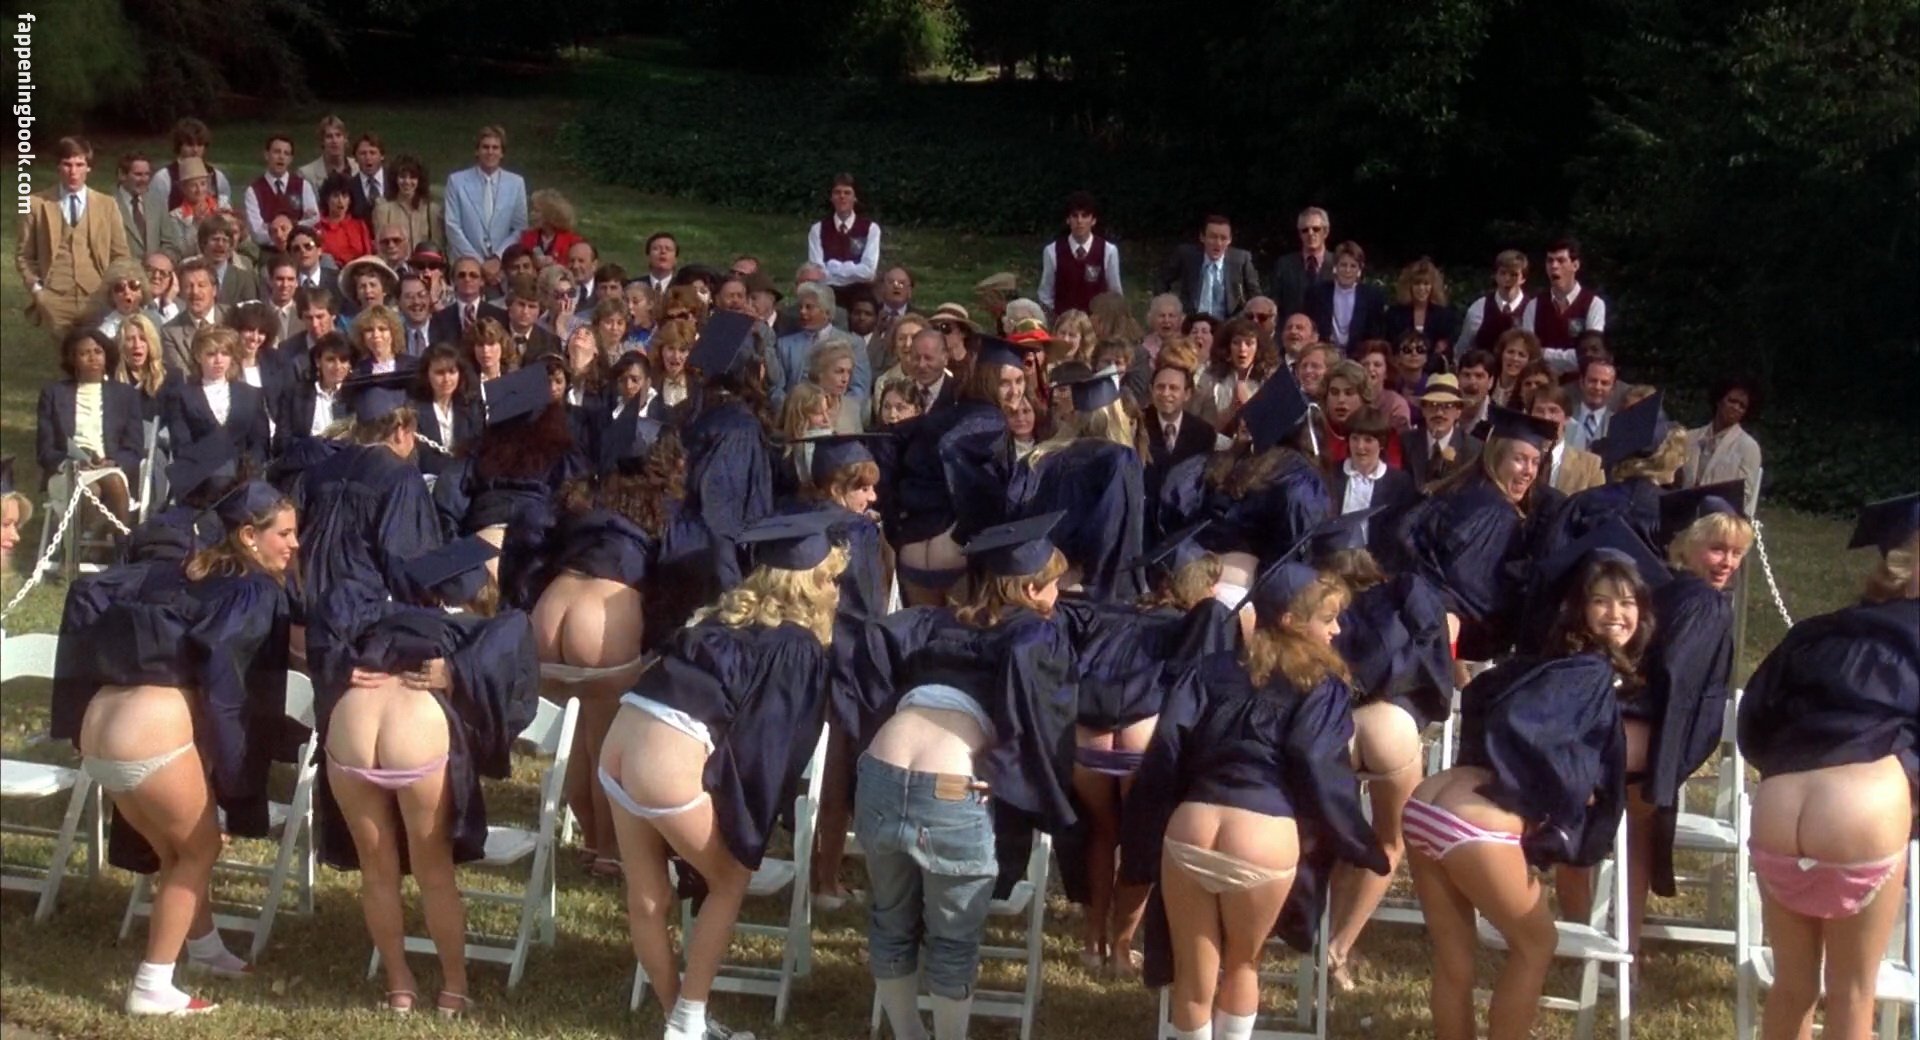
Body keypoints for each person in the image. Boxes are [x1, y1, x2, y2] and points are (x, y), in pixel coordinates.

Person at [51, 479, 299, 1015]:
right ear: (249, 536)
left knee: (176, 849)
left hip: (101, 725)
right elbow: (224, 676)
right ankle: (152, 986)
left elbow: (86, 592)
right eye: (284, 533)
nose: (294, 544)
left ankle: (204, 949)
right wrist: (235, 777)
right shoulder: (254, 589)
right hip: (151, 733)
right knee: (200, 850)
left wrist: (69, 713)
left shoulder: (175, 569)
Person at [603, 511, 844, 1040]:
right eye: (832, 579)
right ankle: (688, 1022)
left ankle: (678, 1016)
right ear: (812, 585)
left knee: (647, 896)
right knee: (730, 879)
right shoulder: (795, 646)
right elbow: (767, 745)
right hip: (666, 760)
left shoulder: (717, 618)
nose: (838, 591)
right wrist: (750, 822)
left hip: (620, 740)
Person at [1124, 558, 1388, 1040]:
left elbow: (1166, 753)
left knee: (1193, 979)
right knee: (1243, 965)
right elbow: (1314, 760)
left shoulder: (1206, 670)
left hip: (1192, 828)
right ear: (1291, 621)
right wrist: (1355, 838)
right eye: (1328, 619)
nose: (1337, 630)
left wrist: (1142, 841)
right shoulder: (1321, 686)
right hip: (1262, 832)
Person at [1408, 529, 1654, 1040]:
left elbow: (1481, 696)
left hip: (1427, 807)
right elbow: (1523, 726)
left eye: (1628, 602)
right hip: (1476, 823)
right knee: (1536, 946)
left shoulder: (1548, 658)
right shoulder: (1589, 672)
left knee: (1454, 959)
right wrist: (1561, 790)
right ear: (1579, 609)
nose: (1616, 614)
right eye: (1601, 601)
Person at [858, 513, 1078, 1040]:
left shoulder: (933, 622)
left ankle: (909, 1035)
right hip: (951, 788)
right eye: (1054, 584)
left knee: (890, 920)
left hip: (880, 770)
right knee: (953, 938)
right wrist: (1005, 769)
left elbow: (871, 647)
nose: (1060, 595)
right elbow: (1040, 719)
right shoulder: (1032, 635)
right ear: (1030, 589)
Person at [317, 534, 539, 1018]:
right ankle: (453, 990)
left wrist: (345, 666)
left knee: (377, 871)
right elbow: (512, 681)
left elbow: (327, 626)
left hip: (352, 725)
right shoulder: (481, 632)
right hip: (415, 731)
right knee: (434, 873)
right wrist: (456, 672)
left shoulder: (380, 616)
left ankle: (399, 987)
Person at [1736, 493, 1917, 1040]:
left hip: (1779, 810)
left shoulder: (1817, 632)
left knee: (1792, 986)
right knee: (1853, 993)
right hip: (1861, 812)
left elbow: (1754, 726)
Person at [1562, 481, 1752, 946]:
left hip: (1609, 725)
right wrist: (1669, 761)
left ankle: (1583, 929)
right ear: (1688, 544)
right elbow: (1677, 679)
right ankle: (1623, 944)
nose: (1727, 562)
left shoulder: (1658, 589)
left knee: (1593, 832)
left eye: (1736, 553)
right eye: (1716, 549)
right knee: (1637, 839)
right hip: (1645, 738)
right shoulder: (1706, 603)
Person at [527, 423, 685, 879]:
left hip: (551, 610)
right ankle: (610, 850)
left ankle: (593, 841)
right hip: (601, 616)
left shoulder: (587, 500)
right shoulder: (666, 509)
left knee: (576, 738)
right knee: (606, 743)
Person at [1400, 406, 1561, 664]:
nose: (1529, 471)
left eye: (1534, 461)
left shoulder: (1462, 489)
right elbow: (1475, 596)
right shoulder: (1495, 515)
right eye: (1520, 459)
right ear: (1496, 457)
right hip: (1455, 647)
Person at [1008, 367, 1148, 601]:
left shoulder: (1036, 458)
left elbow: (1017, 518)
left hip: (1042, 582)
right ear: (1115, 414)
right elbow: (1116, 530)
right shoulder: (1119, 459)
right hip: (1095, 589)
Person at [18, 136, 131, 337]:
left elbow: (120, 254)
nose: (73, 172)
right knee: (62, 354)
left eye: (79, 165)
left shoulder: (107, 204)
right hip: (54, 298)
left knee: (97, 351)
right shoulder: (36, 203)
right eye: (67, 164)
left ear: (89, 168)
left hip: (96, 296)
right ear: (58, 167)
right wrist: (37, 290)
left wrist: (116, 290)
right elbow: (24, 255)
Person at [37, 328, 144, 527]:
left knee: (114, 481)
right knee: (90, 490)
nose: (93, 358)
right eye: (84, 353)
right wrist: (71, 463)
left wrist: (112, 461)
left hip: (110, 467)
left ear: (106, 355)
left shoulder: (125, 395)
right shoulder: (54, 394)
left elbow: (134, 447)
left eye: (98, 351)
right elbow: (45, 450)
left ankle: (121, 542)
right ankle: (93, 540)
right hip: (68, 470)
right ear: (72, 359)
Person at [164, 325, 272, 465]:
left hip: (244, 472)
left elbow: (260, 443)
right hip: (200, 472)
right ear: (198, 356)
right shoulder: (181, 396)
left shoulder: (251, 395)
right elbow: (182, 446)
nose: (219, 360)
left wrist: (248, 468)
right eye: (211, 354)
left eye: (225, 353)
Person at [443, 126, 528, 266]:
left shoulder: (516, 183)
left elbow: (520, 227)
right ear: (477, 151)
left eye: (495, 148)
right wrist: (477, 262)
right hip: (466, 263)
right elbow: (452, 226)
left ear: (502, 153)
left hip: (503, 264)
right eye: (485, 147)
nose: (490, 152)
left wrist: (498, 257)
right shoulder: (456, 181)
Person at [1154, 214, 1261, 320]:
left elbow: (1255, 295)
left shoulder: (1241, 259)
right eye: (1213, 237)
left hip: (1227, 323)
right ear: (1202, 237)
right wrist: (1166, 307)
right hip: (1191, 321)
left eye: (1223, 238)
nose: (1218, 243)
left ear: (1230, 240)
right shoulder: (1186, 255)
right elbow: (1162, 279)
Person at [1040, 190, 1123, 317]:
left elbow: (1115, 295)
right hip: (1063, 324)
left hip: (1096, 323)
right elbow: (1045, 295)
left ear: (1093, 220)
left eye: (1085, 216)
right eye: (1075, 216)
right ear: (1068, 220)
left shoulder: (1109, 251)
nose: (1079, 221)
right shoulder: (1052, 251)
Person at [805, 173, 881, 306]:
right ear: (831, 197)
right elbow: (817, 273)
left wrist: (833, 266)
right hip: (827, 293)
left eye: (847, 193)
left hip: (860, 293)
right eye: (837, 192)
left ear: (855, 197)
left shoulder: (871, 229)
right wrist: (854, 271)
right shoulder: (818, 229)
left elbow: (868, 272)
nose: (842, 196)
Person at [1520, 238, 1607, 352]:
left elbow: (1590, 353)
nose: (1554, 266)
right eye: (1550, 261)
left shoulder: (1594, 304)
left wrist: (1544, 353)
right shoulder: (1534, 306)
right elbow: (1528, 352)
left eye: (1561, 261)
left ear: (1575, 265)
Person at [1329, 408, 1417, 518]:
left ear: (1382, 443)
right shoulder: (1330, 474)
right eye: (1355, 438)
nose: (1360, 446)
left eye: (1368, 440)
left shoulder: (1400, 482)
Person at [1192, 317, 1274, 433]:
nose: (1242, 349)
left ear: (1258, 348)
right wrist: (1231, 409)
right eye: (1236, 342)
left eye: (1249, 343)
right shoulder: (1209, 377)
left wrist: (1249, 407)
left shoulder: (1269, 379)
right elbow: (1201, 426)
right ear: (1227, 347)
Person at [1681, 376, 1762, 491]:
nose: (1736, 408)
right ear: (1719, 400)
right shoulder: (1690, 437)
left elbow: (1745, 493)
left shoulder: (1748, 447)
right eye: (1732, 401)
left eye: (1742, 406)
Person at [1305, 242, 1387, 351]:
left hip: (1359, 354)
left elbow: (1375, 334)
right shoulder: (1317, 293)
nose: (1347, 270)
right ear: (1335, 267)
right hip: (1324, 352)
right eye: (1343, 265)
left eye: (1353, 266)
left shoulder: (1372, 296)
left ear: (1359, 270)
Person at [243, 134, 319, 249]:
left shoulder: (303, 185)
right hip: (269, 252)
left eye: (286, 153)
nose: (281, 157)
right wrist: (292, 228)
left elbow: (314, 219)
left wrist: (282, 229)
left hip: (299, 250)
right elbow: (257, 233)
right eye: (277, 152)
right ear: (266, 155)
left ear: (291, 159)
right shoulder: (253, 191)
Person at [1402, 374, 1479, 489]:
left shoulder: (1473, 449)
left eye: (1447, 406)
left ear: (1458, 412)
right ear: (1423, 409)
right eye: (1433, 405)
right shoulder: (1406, 442)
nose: (1439, 413)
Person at [1532, 386, 1605, 495]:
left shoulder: (1592, 465)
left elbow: (1598, 504)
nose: (1546, 417)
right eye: (1539, 411)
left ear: (1567, 418)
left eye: (1553, 411)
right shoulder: (1515, 458)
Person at [1456, 250, 1531, 355]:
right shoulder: (1479, 308)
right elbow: (1463, 348)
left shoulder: (1532, 309)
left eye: (1513, 275)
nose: (1507, 279)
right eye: (1503, 273)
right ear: (1496, 275)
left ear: (1523, 279)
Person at [370, 154, 444, 255]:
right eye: (402, 177)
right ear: (395, 179)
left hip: (424, 263)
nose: (407, 181)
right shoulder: (383, 208)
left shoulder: (432, 209)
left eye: (412, 177)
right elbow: (381, 246)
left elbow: (438, 247)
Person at [1270, 206, 1336, 316]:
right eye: (1305, 230)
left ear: (1326, 232)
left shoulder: (1339, 264)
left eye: (1316, 229)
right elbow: (1275, 304)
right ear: (1300, 234)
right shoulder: (1284, 265)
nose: (1310, 233)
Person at [1351, 340, 1413, 430]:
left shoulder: (1396, 404)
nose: (1370, 369)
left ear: (1386, 372)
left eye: (1377, 365)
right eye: (1365, 364)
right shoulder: (1350, 398)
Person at [1562, 354, 1617, 452]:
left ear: (1613, 389)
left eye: (1604, 383)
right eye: (1592, 381)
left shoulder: (1617, 424)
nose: (1597, 387)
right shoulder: (1564, 415)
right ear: (1581, 382)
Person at [314, 176, 373, 268]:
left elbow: (369, 256)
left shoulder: (359, 225)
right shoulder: (318, 229)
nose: (340, 201)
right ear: (326, 199)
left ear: (350, 200)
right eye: (335, 196)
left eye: (344, 196)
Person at [517, 188, 584, 269]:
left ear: (550, 215)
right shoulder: (527, 237)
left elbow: (576, 266)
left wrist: (555, 264)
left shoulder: (572, 241)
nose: (532, 214)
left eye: (536, 211)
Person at [1487, 328, 1543, 410]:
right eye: (1510, 352)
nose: (1515, 358)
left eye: (1521, 355)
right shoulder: (1487, 379)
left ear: (1529, 360)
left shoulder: (1529, 389)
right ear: (1501, 353)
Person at [116, 152, 154, 260]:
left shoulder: (157, 203)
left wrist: (161, 260)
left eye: (147, 174)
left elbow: (170, 243)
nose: (144, 179)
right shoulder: (108, 205)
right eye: (138, 174)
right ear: (122, 175)